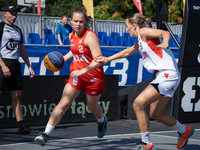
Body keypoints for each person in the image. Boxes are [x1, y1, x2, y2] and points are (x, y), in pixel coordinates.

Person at [95, 13, 194, 150]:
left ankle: (146, 143)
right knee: (155, 113)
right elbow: (128, 51)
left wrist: (165, 42)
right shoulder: (141, 40)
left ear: (134, 26)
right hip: (166, 75)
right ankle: (184, 130)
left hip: (167, 75)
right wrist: (108, 59)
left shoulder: (144, 31)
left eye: (126, 26)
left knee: (137, 104)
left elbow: (164, 32)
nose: (126, 29)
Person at [34, 6, 107, 146]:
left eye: (81, 21)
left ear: (85, 21)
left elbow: (99, 59)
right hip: (76, 74)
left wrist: (83, 71)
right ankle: (45, 134)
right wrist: (62, 59)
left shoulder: (90, 36)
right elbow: (75, 52)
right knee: (63, 103)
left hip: (93, 76)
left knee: (91, 107)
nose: (78, 24)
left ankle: (102, 120)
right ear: (71, 21)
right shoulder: (71, 35)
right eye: (75, 21)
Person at [0, 4, 38, 134]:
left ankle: (22, 126)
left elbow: (21, 49)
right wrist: (3, 66)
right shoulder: (0, 27)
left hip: (15, 64)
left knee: (17, 96)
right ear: (5, 13)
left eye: (15, 13)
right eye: (11, 13)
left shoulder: (18, 30)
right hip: (2, 63)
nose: (14, 16)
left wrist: (29, 65)